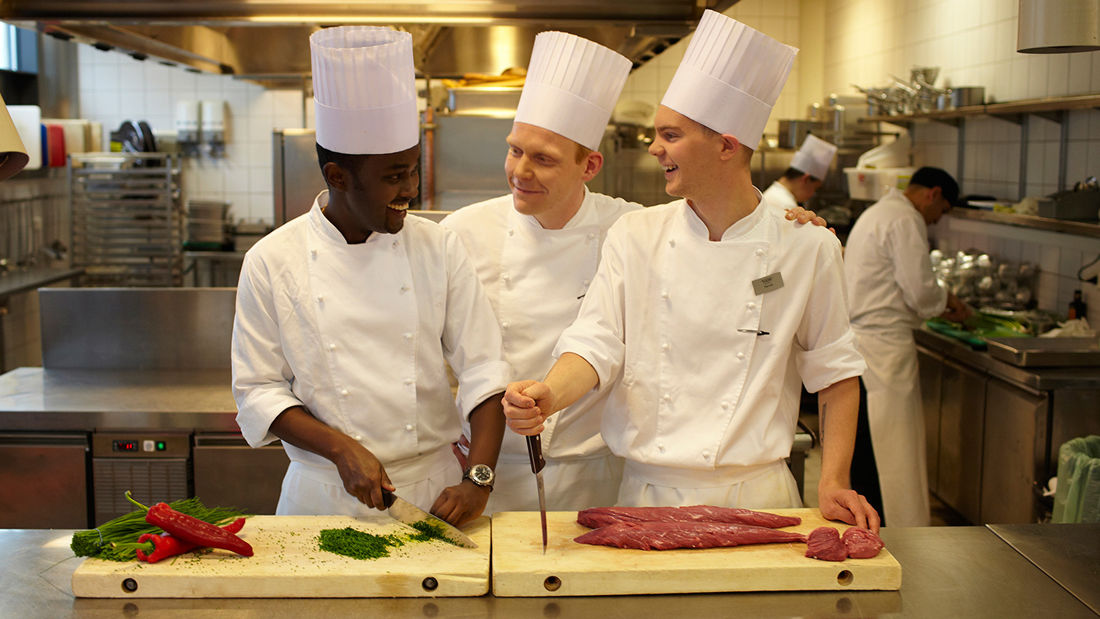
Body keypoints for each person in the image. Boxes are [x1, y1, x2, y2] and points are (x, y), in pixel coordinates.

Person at [501, 11, 880, 532]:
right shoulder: (637, 234)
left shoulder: (807, 245)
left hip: (761, 497)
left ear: (726, 146)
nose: (654, 148)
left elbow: (835, 372)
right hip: (643, 493)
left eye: (670, 135)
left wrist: (834, 481)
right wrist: (551, 394)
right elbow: (597, 341)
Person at [442, 31, 828, 514]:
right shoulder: (461, 232)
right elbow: (446, 354)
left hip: (600, 469)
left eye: (543, 159)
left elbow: (714, 239)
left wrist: (788, 225)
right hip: (487, 467)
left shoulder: (629, 227)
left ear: (590, 166)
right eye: (514, 150)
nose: (520, 171)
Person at [231, 26, 510, 527]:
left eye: (413, 170)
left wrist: (478, 479)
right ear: (337, 176)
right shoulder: (273, 260)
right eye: (392, 176)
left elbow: (484, 370)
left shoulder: (438, 245)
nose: (410, 189)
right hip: (321, 497)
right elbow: (257, 390)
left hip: (433, 493)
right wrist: (340, 449)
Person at [843, 166, 971, 527]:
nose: (936, 221)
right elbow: (920, 290)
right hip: (884, 347)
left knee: (870, 447)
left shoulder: (877, 212)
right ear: (933, 195)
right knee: (893, 451)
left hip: (863, 342)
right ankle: (896, 529)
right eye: (942, 212)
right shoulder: (905, 219)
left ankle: (867, 522)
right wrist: (947, 301)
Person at [762, 134, 838, 213]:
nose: (812, 194)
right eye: (815, 188)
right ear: (806, 179)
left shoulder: (776, 194)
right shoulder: (785, 204)